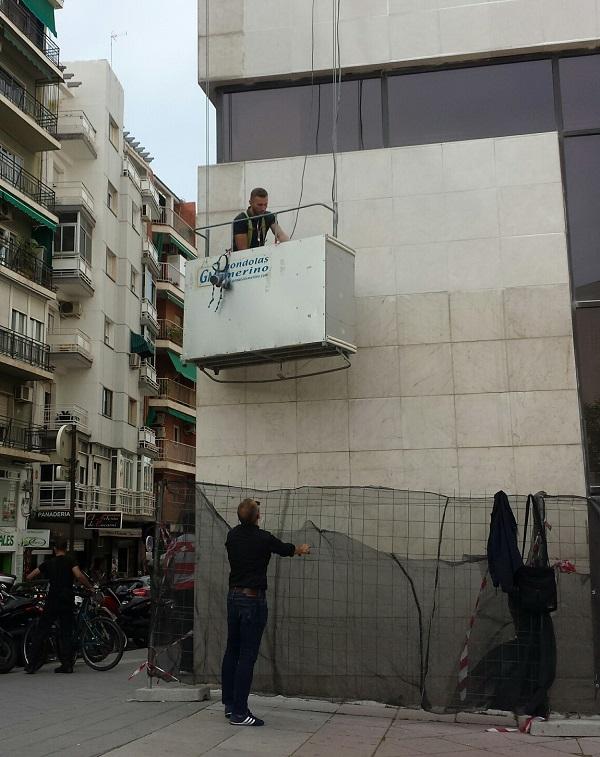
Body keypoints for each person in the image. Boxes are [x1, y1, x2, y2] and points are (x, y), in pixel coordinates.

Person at [221, 498, 310, 727]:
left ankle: (230, 705)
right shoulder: (263, 538)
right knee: (247, 656)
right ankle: (240, 713)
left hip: (233, 597)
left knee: (232, 649)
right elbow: (285, 549)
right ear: (257, 517)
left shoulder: (232, 536)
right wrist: (300, 549)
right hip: (252, 600)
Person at [25, 538, 93, 674]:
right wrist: (89, 586)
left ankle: (32, 665)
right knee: (66, 632)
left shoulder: (48, 563)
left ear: (55, 549)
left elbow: (30, 576)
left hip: (52, 600)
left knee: (42, 631)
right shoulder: (70, 561)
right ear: (66, 548)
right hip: (67, 599)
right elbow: (79, 575)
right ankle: (67, 665)